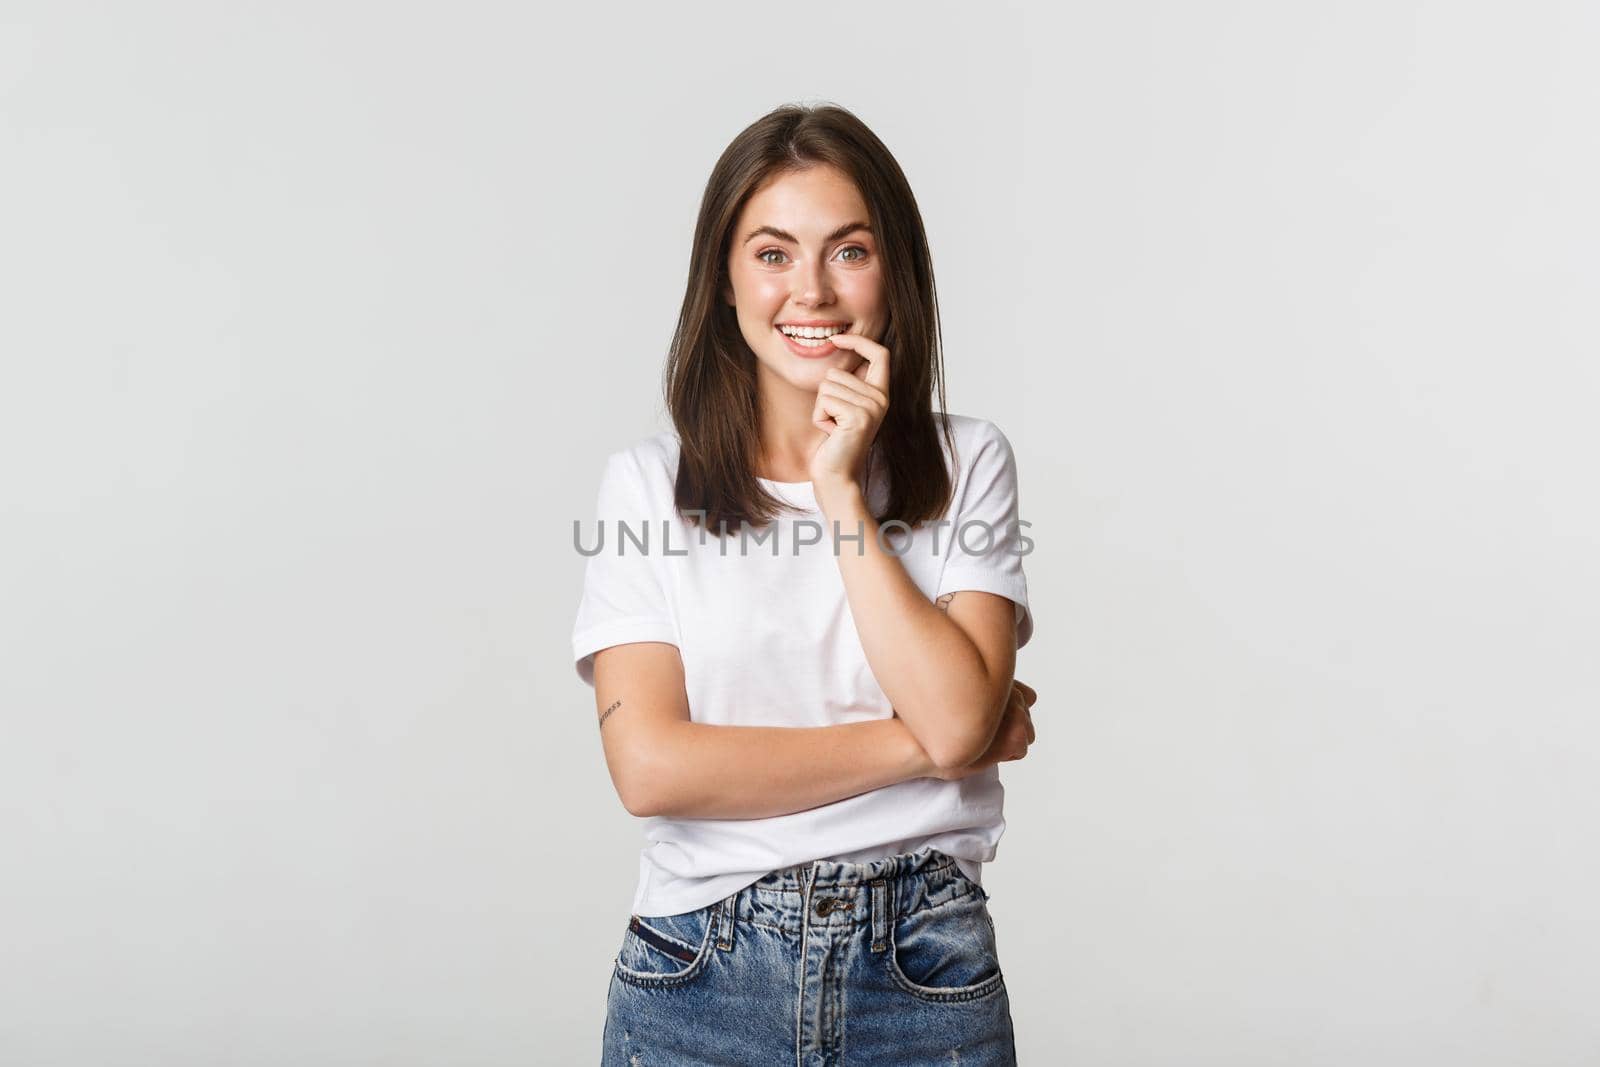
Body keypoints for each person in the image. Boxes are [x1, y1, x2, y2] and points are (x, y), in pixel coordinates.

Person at [571, 102, 1037, 1065]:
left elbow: (959, 727)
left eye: (849, 251)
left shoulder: (969, 464)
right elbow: (651, 769)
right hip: (699, 973)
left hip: (922, 970)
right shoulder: (647, 486)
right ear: (725, 278)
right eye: (773, 253)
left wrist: (838, 492)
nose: (812, 293)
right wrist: (927, 745)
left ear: (894, 274)